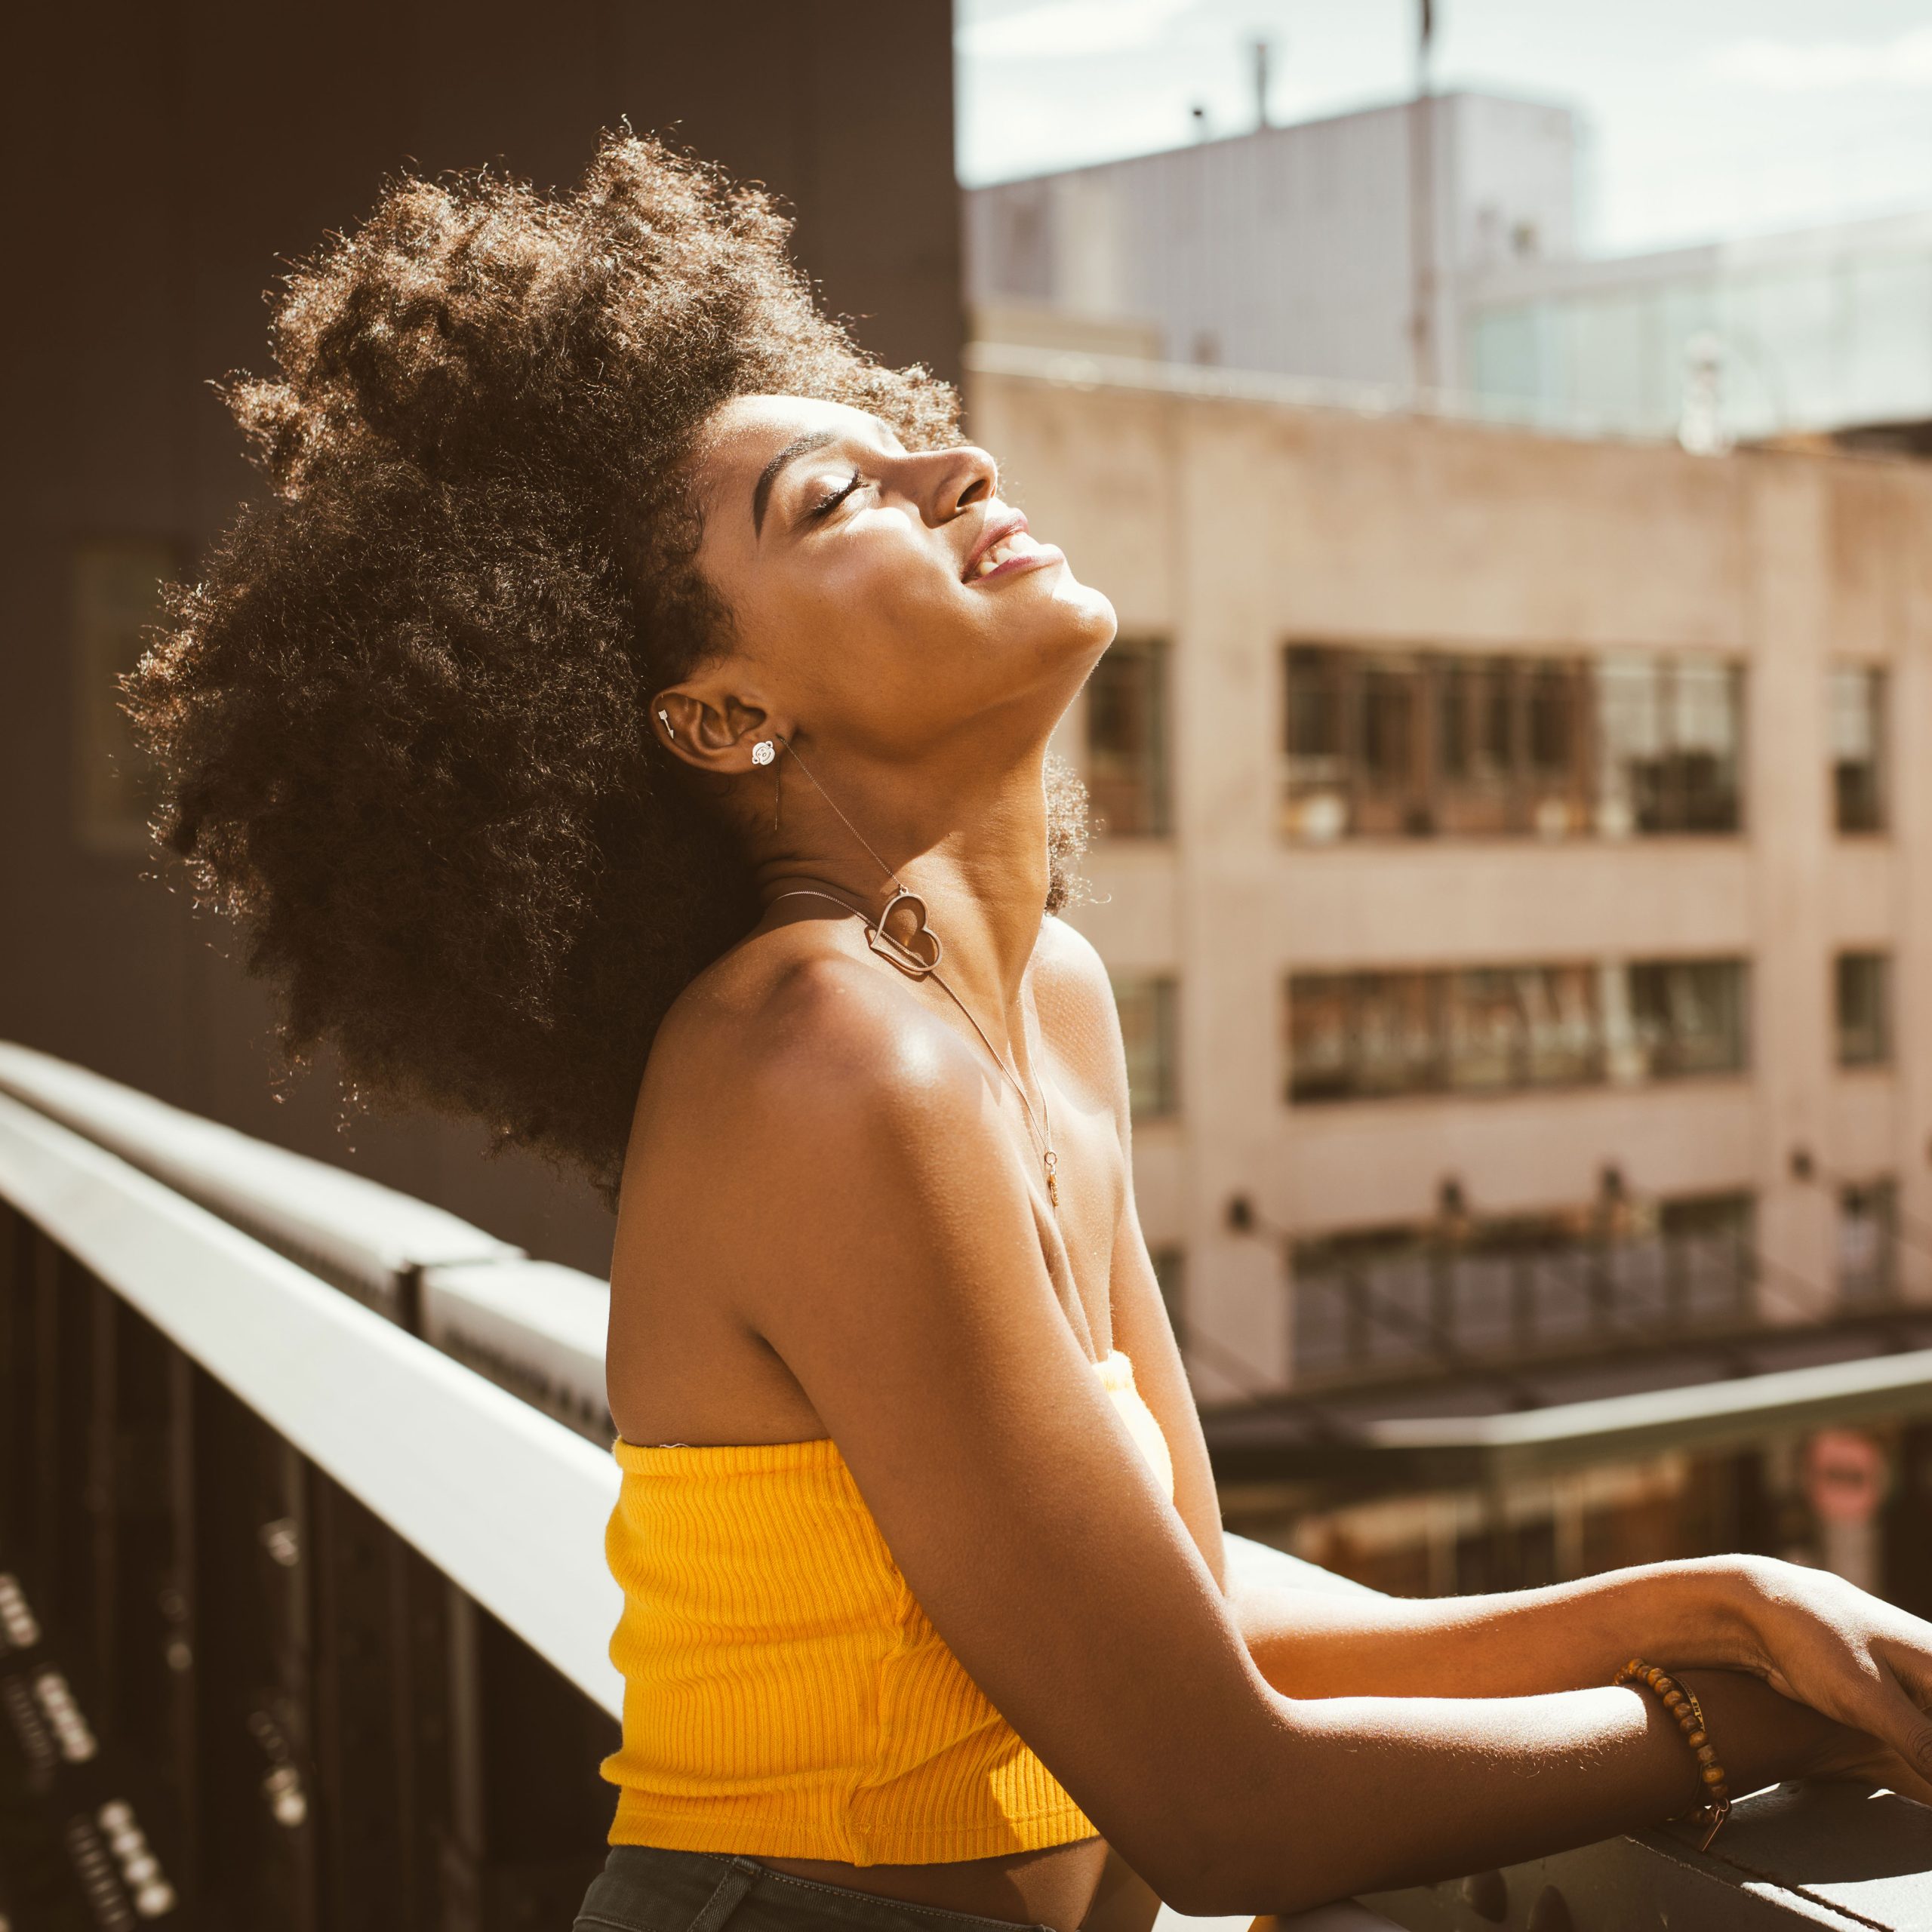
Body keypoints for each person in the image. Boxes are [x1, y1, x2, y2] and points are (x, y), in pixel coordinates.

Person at [129, 134, 1932, 1932]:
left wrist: (1708, 1598)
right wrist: (1716, 1726)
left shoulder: (1035, 996)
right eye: (836, 500)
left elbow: (1185, 1611)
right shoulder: (819, 1063)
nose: (950, 459)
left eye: (901, 440)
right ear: (720, 714)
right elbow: (1230, 1808)